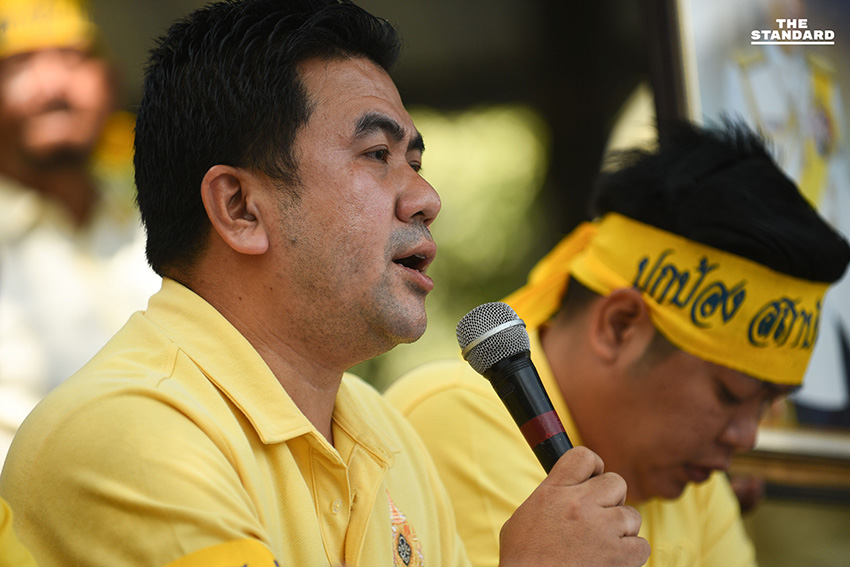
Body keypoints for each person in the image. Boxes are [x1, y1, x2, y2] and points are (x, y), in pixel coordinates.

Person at [0, 1, 650, 566]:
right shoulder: (129, 434)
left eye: (415, 161)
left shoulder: (382, 431)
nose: (425, 198)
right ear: (239, 208)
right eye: (377, 155)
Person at [387, 121, 850, 567]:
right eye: (729, 394)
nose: (746, 436)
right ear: (619, 326)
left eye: (766, 403)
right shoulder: (461, 417)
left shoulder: (685, 476)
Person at [0, 0, 159, 462]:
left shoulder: (163, 224)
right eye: (20, 63)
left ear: (111, 81)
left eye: (74, 58)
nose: (53, 85)